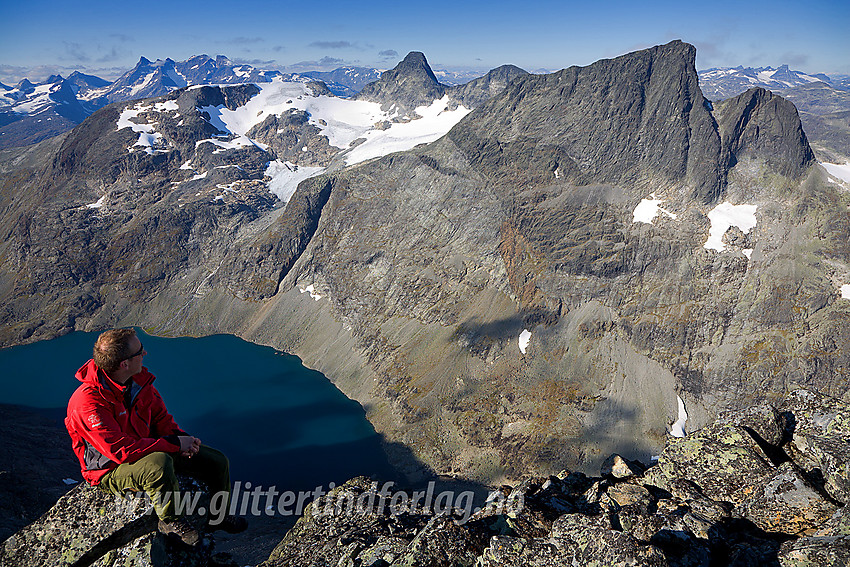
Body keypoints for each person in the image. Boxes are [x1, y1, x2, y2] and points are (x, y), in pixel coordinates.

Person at [65, 328, 247, 545]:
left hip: (145, 448)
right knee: (158, 465)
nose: (145, 353)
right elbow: (120, 451)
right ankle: (170, 521)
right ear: (124, 363)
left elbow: (161, 419)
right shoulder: (88, 403)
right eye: (140, 351)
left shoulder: (138, 382)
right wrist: (173, 444)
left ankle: (219, 517)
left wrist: (183, 439)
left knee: (216, 461)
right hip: (109, 468)